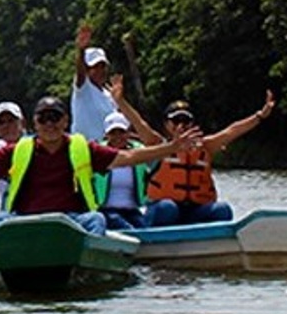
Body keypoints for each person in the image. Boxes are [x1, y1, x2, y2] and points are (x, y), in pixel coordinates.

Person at [0, 96, 202, 236]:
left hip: (72, 219)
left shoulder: (80, 147)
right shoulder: (17, 150)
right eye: (43, 118)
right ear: (34, 123)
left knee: (96, 221)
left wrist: (170, 148)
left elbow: (125, 158)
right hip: (27, 218)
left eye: (54, 118)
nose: (49, 124)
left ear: (65, 121)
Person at [111, 78, 276, 226]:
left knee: (222, 210)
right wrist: (120, 100)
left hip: (194, 211)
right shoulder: (157, 145)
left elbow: (231, 131)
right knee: (168, 208)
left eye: (186, 121)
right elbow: (138, 122)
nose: (181, 126)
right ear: (167, 125)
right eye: (176, 121)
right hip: (163, 210)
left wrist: (260, 116)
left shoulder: (205, 147)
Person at [93, 111, 150, 229]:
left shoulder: (139, 151)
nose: (117, 137)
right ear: (106, 134)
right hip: (106, 210)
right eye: (113, 133)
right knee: (125, 227)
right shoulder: (97, 153)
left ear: (128, 132)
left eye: (121, 132)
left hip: (133, 209)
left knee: (145, 228)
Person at [71, 24, 118, 141]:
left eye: (102, 66)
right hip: (84, 148)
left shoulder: (109, 94)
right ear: (87, 69)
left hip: (106, 148)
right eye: (95, 67)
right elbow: (80, 73)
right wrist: (81, 50)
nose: (100, 71)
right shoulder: (83, 88)